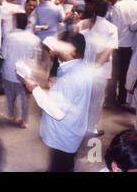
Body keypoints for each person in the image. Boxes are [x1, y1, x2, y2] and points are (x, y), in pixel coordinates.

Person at [24, 32, 95, 172]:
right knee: (65, 163)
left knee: (60, 165)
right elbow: (74, 93)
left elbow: (56, 111)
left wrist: (34, 89)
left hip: (64, 134)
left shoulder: (71, 78)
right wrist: (57, 85)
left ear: (72, 51)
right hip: (73, 129)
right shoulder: (81, 67)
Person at [79, 0, 118, 137]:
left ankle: (79, 125)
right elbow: (107, 52)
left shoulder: (83, 24)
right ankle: (90, 128)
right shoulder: (111, 28)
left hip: (82, 67)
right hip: (99, 71)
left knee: (82, 99)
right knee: (96, 101)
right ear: (107, 12)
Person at [0, 13, 41, 128]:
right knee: (24, 98)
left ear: (15, 23)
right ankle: (24, 121)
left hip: (9, 71)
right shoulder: (34, 39)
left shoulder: (9, 37)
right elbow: (36, 58)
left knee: (10, 95)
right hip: (26, 74)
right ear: (27, 23)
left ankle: (12, 114)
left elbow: (3, 54)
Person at [109, 0, 137, 105]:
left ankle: (114, 96)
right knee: (128, 71)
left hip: (120, 42)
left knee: (116, 72)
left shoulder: (118, 6)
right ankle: (125, 98)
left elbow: (115, 27)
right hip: (133, 42)